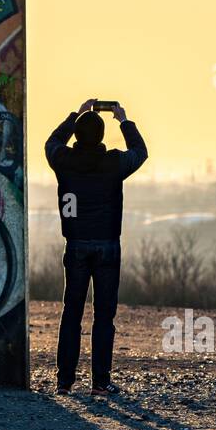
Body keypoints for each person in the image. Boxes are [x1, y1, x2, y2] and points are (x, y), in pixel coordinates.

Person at [45, 98, 148, 396]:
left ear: (77, 135)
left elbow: (52, 142)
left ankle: (64, 381)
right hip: (107, 246)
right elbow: (140, 152)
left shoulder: (63, 160)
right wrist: (124, 120)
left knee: (71, 313)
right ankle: (100, 383)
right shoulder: (114, 163)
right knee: (104, 315)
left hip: (75, 244)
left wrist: (75, 114)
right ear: (102, 136)